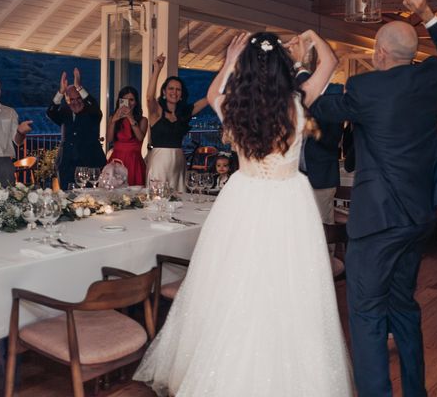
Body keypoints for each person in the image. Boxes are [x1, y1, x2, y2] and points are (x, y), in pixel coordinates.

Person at [134, 31, 353, 396]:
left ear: (245, 68)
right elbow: (330, 63)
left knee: (233, 282)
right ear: (284, 66)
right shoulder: (297, 103)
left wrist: (229, 59)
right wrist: (312, 37)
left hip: (243, 198)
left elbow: (213, 93)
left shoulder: (232, 104)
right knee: (289, 286)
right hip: (288, 201)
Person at [310, 0, 437, 397]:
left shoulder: (366, 88)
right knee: (404, 308)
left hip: (377, 223)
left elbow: (318, 108)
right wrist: (427, 14)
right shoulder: (431, 79)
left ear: (378, 53)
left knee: (367, 316)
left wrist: (294, 73)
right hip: (416, 221)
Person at [291, 49, 344, 224]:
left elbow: (330, 139)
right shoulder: (297, 102)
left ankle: (326, 252)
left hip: (321, 176)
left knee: (322, 224)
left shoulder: (334, 96)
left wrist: (300, 69)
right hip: (296, 177)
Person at [145, 55, 207, 192]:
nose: (174, 92)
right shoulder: (156, 112)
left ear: (181, 94)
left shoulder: (184, 114)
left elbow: (207, 99)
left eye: (178, 89)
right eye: (171, 89)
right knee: (157, 196)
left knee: (179, 199)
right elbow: (149, 97)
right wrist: (157, 70)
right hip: (159, 160)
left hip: (178, 160)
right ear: (164, 92)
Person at [46, 68, 106, 189]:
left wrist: (79, 87)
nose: (76, 102)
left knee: (90, 201)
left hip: (90, 164)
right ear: (67, 100)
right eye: (72, 99)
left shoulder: (92, 113)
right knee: (68, 200)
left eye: (79, 98)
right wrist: (60, 92)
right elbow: (50, 112)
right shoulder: (64, 112)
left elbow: (94, 105)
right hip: (66, 165)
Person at [106, 86, 148, 186]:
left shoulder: (142, 120)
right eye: (125, 100)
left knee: (134, 195)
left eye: (131, 100)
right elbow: (109, 139)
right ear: (120, 101)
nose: (128, 103)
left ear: (136, 102)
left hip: (134, 162)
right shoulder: (113, 118)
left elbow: (140, 137)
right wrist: (113, 121)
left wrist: (130, 118)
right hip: (116, 161)